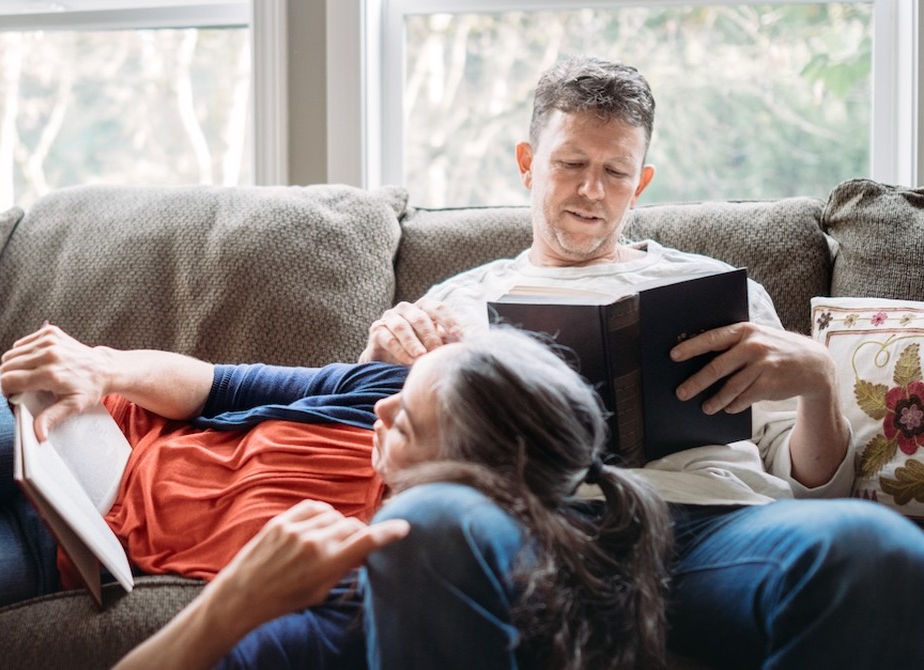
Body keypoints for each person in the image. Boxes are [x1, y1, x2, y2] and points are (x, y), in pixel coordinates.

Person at [358, 54, 924, 668]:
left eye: (616, 171)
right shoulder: (455, 301)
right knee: (424, 521)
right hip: (532, 530)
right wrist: (377, 363)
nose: (591, 190)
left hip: (713, 529)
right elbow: (369, 451)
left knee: (877, 546)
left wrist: (818, 382)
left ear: (642, 183)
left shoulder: (719, 290)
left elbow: (812, 488)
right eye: (570, 164)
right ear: (528, 164)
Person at [116, 326, 673, 669]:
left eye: (405, 422)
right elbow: (220, 383)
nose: (381, 411)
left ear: (456, 481)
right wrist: (105, 367)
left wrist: (234, 601)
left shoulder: (355, 608)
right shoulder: (379, 393)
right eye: (400, 390)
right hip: (104, 430)